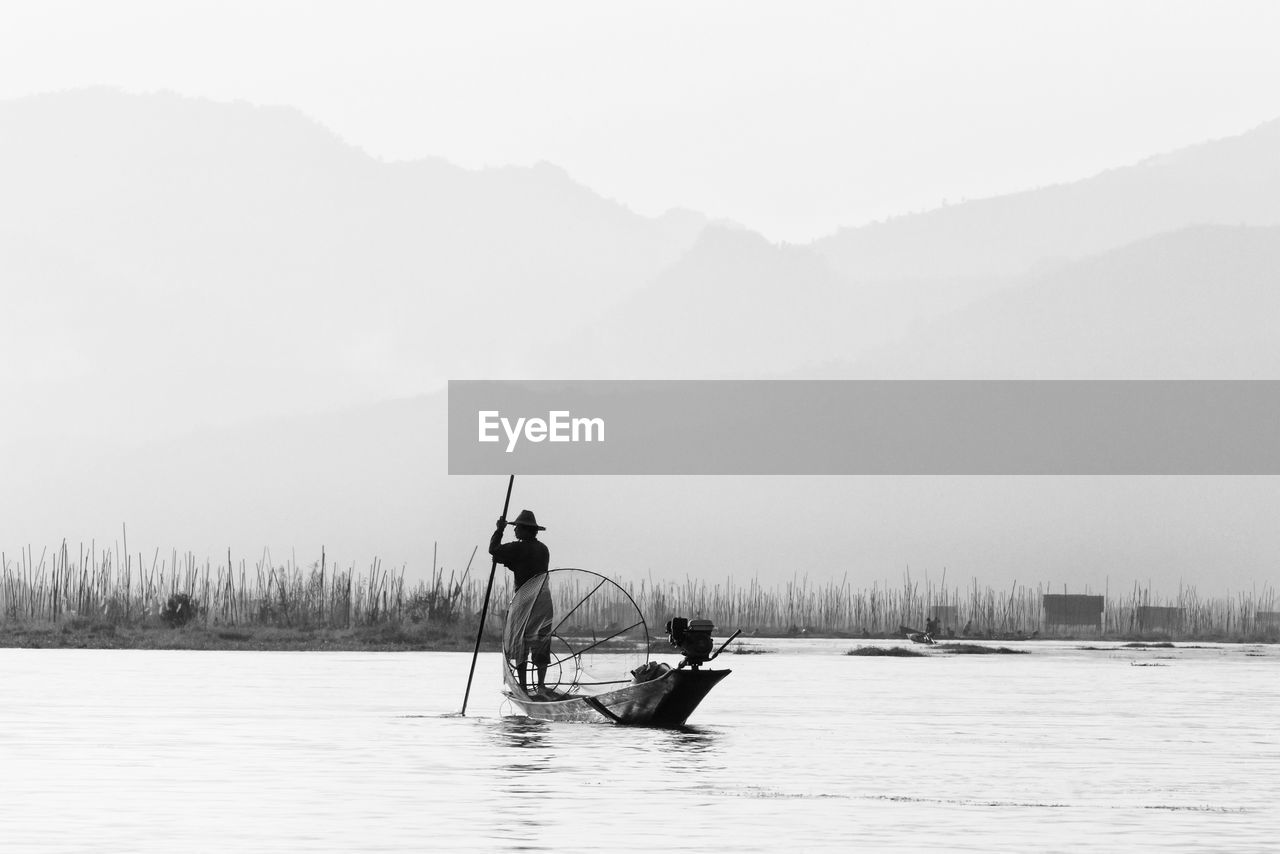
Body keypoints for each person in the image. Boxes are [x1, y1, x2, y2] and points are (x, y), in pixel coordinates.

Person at [490, 509, 552, 695]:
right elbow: (522, 565)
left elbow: (494, 549)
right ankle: (540, 686)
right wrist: (505, 561)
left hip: (525, 600)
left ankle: (524, 687)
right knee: (541, 640)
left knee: (520, 642)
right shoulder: (543, 549)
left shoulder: (518, 547)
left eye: (516, 527)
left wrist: (499, 530)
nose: (514, 530)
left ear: (525, 530)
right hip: (543, 600)